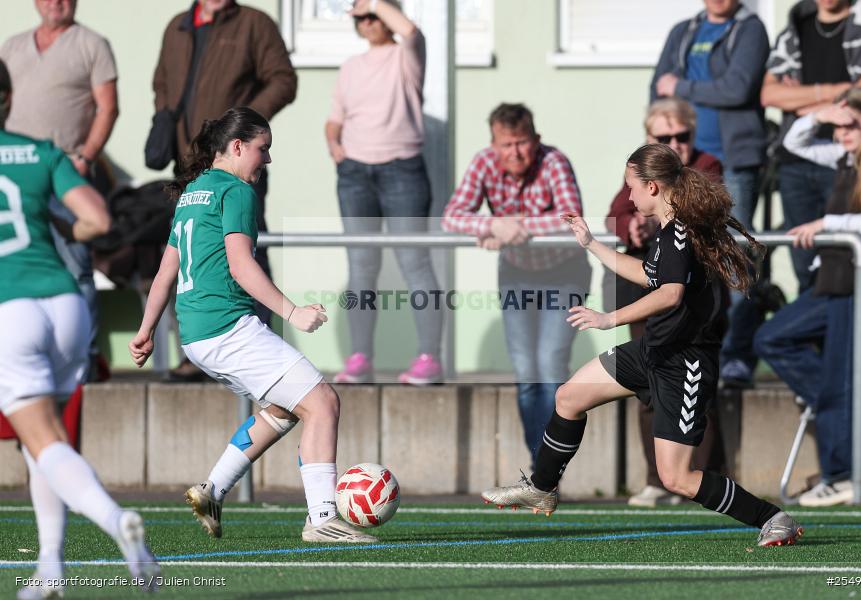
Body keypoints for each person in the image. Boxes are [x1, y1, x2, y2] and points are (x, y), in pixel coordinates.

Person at [482, 143, 803, 548]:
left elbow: (669, 295)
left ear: (652, 187)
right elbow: (648, 274)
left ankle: (773, 518)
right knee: (568, 397)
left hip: (684, 363)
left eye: (631, 186)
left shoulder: (680, 232)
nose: (629, 196)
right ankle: (543, 487)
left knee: (677, 478)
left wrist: (606, 318)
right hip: (653, 351)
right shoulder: (670, 231)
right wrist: (591, 244)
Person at [129, 107, 375, 543]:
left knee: (285, 407)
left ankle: (212, 491)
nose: (268, 160)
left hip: (198, 336)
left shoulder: (194, 192)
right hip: (227, 328)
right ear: (238, 146)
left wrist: (147, 329)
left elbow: (167, 269)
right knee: (323, 403)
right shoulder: (236, 191)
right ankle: (321, 519)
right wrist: (293, 311)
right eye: (264, 149)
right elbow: (242, 266)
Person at [0, 60, 159, 599]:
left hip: (10, 309)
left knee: (41, 439)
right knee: (45, 441)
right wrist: (60, 225)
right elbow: (98, 221)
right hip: (66, 301)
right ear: (7, 98)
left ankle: (117, 523)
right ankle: (50, 568)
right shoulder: (40, 152)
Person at [754, 88, 861, 507]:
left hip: (860, 285)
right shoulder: (843, 158)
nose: (844, 132)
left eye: (853, 124)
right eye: (839, 126)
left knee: (839, 378)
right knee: (772, 338)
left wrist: (823, 223)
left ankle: (841, 473)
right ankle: (847, 405)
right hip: (832, 283)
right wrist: (823, 113)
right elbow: (793, 141)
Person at [153, 0, 297, 379]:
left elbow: (283, 80)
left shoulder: (253, 23)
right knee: (190, 255)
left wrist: (239, 128)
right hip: (192, 165)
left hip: (236, 164)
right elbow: (162, 85)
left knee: (245, 251)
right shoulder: (176, 27)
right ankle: (195, 347)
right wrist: (164, 120)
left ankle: (258, 339)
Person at [442, 103, 590, 464]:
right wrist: (491, 226)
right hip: (517, 275)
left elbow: (571, 219)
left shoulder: (554, 161)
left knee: (550, 362)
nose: (515, 152)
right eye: (506, 145)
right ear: (493, 145)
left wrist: (512, 228)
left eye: (522, 143)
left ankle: (552, 465)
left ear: (536, 140)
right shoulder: (483, 162)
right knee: (525, 370)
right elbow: (451, 217)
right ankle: (540, 462)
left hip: (564, 272)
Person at [606, 98, 727, 507]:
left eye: (682, 136)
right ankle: (659, 479)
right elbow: (619, 213)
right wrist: (626, 228)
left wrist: (607, 319)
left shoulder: (701, 175)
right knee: (632, 387)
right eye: (664, 137)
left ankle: (694, 481)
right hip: (649, 302)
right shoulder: (642, 179)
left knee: (692, 394)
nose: (675, 142)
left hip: (689, 316)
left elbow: (673, 288)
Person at [651, 0, 771, 388]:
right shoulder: (682, 31)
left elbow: (738, 88)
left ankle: (738, 355)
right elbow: (658, 90)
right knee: (685, 253)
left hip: (732, 162)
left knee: (737, 254)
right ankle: (693, 347)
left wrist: (682, 86)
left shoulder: (750, 29)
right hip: (684, 162)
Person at [0, 0, 119, 381]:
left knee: (75, 265)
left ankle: (84, 357)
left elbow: (107, 108)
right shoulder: (13, 47)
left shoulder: (91, 44)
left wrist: (84, 157)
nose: (56, 3)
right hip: (13, 174)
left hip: (61, 171)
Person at [326, 0, 443, 385]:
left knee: (415, 264)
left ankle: (429, 357)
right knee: (361, 268)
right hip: (355, 173)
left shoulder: (404, 55)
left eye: (373, 14)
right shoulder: (350, 67)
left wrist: (376, 2)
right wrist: (336, 147)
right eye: (361, 17)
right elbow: (335, 118)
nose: (368, 22)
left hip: (402, 170)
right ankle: (360, 358)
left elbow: (411, 32)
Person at [762, 0, 861, 292]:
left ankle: (841, 329)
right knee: (802, 257)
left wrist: (799, 100)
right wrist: (832, 94)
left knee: (840, 259)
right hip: (796, 164)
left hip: (845, 161)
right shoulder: (794, 30)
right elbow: (769, 94)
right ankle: (812, 328)